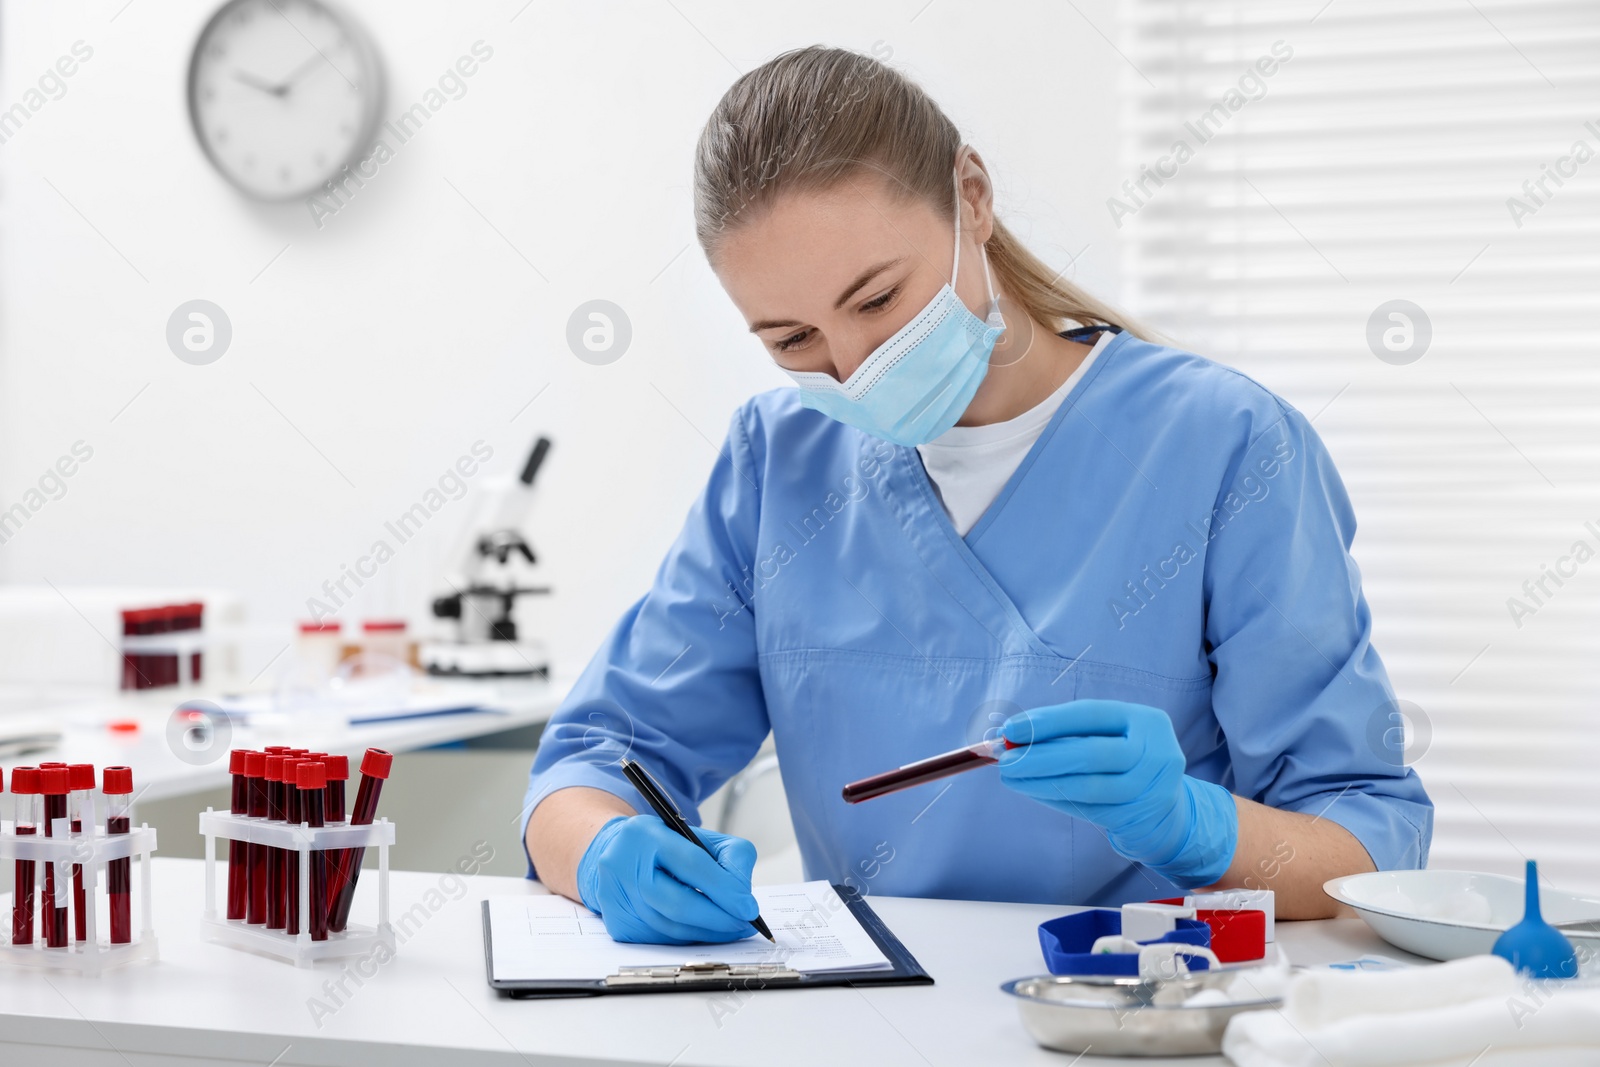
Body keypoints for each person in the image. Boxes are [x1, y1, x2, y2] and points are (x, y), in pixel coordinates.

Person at [522, 45, 1432, 944]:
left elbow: (1369, 851)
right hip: (873, 1020)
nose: (856, 370)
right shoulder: (780, 463)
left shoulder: (1225, 446)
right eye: (793, 340)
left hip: (1139, 1015)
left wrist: (1192, 823)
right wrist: (608, 848)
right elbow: (588, 765)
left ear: (972, 197)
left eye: (878, 301)